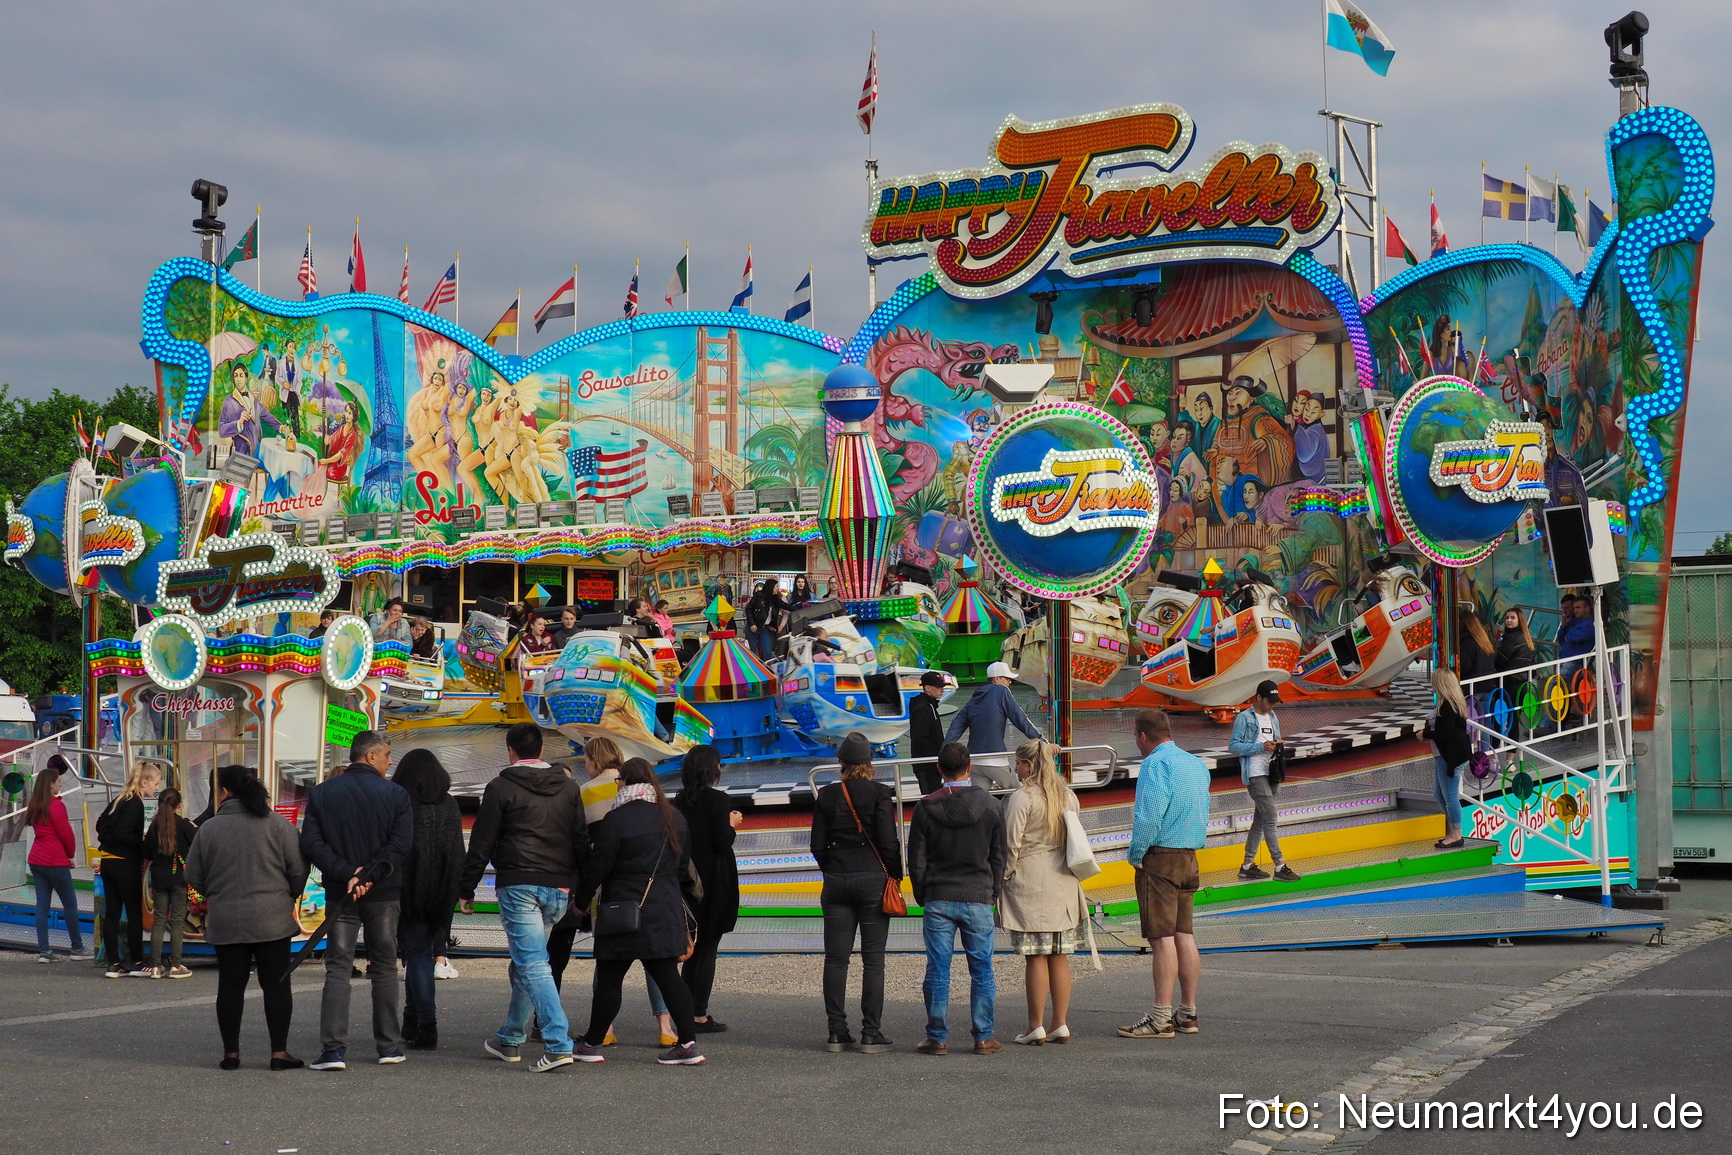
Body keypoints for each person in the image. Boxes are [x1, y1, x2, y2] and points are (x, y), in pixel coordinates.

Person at [459, 722, 590, 1072]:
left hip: (519, 884)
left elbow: (483, 841)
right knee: (526, 962)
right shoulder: (568, 787)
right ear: (542, 751)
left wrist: (466, 887)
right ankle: (511, 1037)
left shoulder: (500, 787)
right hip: (559, 887)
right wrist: (584, 889)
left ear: (511, 751)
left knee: (532, 964)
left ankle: (558, 1042)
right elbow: (580, 841)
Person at [573, 759, 708, 1066]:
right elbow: (683, 866)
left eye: (619, 782)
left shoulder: (616, 819)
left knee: (610, 978)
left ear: (625, 783)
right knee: (668, 977)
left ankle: (591, 1043)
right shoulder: (674, 817)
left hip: (623, 910)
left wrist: (581, 901)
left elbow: (599, 867)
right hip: (664, 908)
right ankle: (688, 1043)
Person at [299, 729, 414, 1070]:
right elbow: (400, 844)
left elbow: (312, 843)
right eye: (387, 755)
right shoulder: (396, 795)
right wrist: (371, 876)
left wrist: (347, 874)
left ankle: (333, 1049)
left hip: (340, 892)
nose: (391, 761)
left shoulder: (322, 794)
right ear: (371, 756)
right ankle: (388, 1046)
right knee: (384, 966)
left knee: (337, 968)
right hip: (383, 893)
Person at [184, 764, 308, 1071]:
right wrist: (287, 893)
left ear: (224, 792)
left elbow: (193, 874)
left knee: (230, 986)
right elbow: (298, 870)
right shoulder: (278, 825)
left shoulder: (209, 829)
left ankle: (231, 1054)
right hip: (272, 919)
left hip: (227, 918)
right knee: (276, 985)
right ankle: (279, 1053)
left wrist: (216, 891)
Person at [566, 738, 673, 1046]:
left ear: (594, 761)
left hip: (609, 890)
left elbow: (582, 843)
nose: (585, 767)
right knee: (656, 959)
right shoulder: (652, 792)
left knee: (608, 960)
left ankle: (606, 1028)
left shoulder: (585, 793)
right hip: (651, 886)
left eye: (586, 761)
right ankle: (666, 1027)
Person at [908, 742, 1007, 1056]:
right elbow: (998, 856)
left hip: (939, 896)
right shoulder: (991, 805)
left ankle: (937, 1038)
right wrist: (992, 893)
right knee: (982, 970)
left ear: (939, 769)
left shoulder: (925, 807)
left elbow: (917, 858)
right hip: (978, 895)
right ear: (969, 769)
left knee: (938, 969)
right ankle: (983, 1036)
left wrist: (923, 893)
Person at [1117, 708, 1210, 1040]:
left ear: (1143, 736)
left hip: (1161, 858)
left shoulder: (1155, 764)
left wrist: (1136, 854)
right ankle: (1188, 1012)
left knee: (1161, 938)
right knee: (1184, 934)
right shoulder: (1196, 764)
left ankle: (1159, 1017)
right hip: (1190, 856)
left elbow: (1149, 816)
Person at [810, 731, 900, 1053]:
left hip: (836, 880)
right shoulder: (879, 793)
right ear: (869, 764)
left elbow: (816, 846)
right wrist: (896, 875)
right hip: (873, 880)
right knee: (873, 960)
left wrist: (833, 868)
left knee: (836, 960)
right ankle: (870, 1033)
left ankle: (837, 1032)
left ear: (841, 764)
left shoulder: (827, 795)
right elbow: (888, 842)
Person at [1000, 739, 1084, 1046]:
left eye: (1019, 763)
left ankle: (1035, 1025)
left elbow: (1012, 843)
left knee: (1036, 957)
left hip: (1031, 881)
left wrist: (1005, 875)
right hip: (1063, 880)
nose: (1016, 768)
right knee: (1059, 955)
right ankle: (1059, 1023)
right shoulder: (1068, 796)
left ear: (1030, 765)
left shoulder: (1022, 798)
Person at [390, 749, 464, 1051]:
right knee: (419, 953)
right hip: (441, 890)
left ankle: (426, 1024)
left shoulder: (402, 803)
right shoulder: (450, 805)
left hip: (408, 890)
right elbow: (457, 852)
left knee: (416, 955)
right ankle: (411, 1018)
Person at [671, 744, 740, 1034]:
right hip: (715, 880)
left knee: (692, 947)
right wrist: (732, 823)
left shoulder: (678, 801)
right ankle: (699, 1014)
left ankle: (685, 1011)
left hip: (687, 880)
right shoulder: (719, 801)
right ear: (712, 770)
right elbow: (723, 841)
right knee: (708, 948)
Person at [96, 762, 162, 977]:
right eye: (155, 784)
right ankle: (137, 961)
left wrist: (108, 839)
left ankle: (113, 963)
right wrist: (140, 840)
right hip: (126, 863)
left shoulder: (120, 798)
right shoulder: (136, 803)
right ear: (144, 782)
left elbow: (100, 824)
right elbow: (125, 835)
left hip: (108, 861)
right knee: (134, 914)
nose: (156, 789)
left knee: (113, 913)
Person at [1230, 680, 1299, 882]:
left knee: (1260, 821)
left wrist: (1277, 745)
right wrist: (1260, 747)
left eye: (1275, 701)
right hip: (1255, 773)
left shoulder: (1273, 716)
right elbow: (1234, 746)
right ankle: (1279, 865)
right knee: (1270, 818)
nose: (1273, 705)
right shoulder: (1244, 718)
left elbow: (1273, 740)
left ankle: (1247, 865)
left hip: (1271, 772)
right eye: (1270, 701)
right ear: (1259, 697)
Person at [943, 661, 1042, 791]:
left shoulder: (975, 697)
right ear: (996, 679)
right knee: (1016, 793)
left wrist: (943, 751)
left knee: (980, 800)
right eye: (1006, 678)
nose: (1009, 682)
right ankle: (1006, 812)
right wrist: (1042, 740)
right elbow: (1020, 719)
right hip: (995, 758)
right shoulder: (1001, 691)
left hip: (975, 761)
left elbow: (957, 725)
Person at [26, 756, 88, 962]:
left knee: (42, 906)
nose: (60, 784)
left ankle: (44, 951)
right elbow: (66, 835)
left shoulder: (35, 805)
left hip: (37, 859)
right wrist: (71, 855)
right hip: (55, 860)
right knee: (69, 903)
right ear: (51, 784)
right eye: (58, 782)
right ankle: (77, 948)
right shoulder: (56, 806)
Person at [143, 787, 197, 978]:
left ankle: (156, 967)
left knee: (159, 921)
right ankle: (176, 966)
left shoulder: (154, 825)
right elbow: (196, 844)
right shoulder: (183, 825)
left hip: (158, 879)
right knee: (176, 922)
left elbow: (147, 853)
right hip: (179, 879)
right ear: (179, 806)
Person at [1424, 669, 1472, 850]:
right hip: (1448, 754)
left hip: (1451, 755)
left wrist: (1425, 734)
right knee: (1438, 794)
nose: (1432, 685)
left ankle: (1456, 834)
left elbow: (1446, 733)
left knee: (1450, 795)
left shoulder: (1447, 706)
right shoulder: (1453, 703)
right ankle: (1454, 829)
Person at [909, 670, 948, 794]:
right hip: (927, 765)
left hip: (931, 763)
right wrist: (935, 759)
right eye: (938, 687)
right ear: (927, 688)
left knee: (933, 797)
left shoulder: (928, 705)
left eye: (942, 686)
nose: (942, 690)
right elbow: (920, 738)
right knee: (930, 798)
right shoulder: (922, 708)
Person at [746, 578, 787, 663]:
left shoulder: (775, 599)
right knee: (752, 651)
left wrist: (803, 609)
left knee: (767, 651)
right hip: (753, 628)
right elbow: (748, 609)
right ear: (771, 587)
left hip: (763, 628)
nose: (777, 589)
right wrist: (752, 624)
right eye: (776, 586)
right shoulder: (759, 595)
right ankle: (752, 671)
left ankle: (767, 670)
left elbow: (786, 606)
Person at [1458, 609, 1497, 684]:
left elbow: (1465, 668)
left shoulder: (1467, 644)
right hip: (1488, 686)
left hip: (1472, 687)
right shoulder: (1485, 642)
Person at [1495, 608, 1537, 674]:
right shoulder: (1524, 637)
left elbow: (1500, 660)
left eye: (1513, 618)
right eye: (1507, 618)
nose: (1508, 620)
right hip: (1519, 678)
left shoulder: (1513, 638)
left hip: (1508, 679)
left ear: (1520, 620)